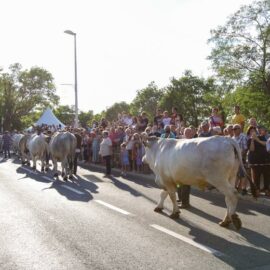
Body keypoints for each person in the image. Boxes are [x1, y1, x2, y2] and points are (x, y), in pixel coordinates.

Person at [177, 127, 193, 208]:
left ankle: (185, 203)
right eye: (185, 132)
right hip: (180, 165)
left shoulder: (193, 142)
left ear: (191, 133)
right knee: (179, 184)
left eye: (188, 132)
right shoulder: (182, 141)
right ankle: (180, 198)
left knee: (185, 185)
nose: (186, 134)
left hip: (188, 166)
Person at [232, 124, 248, 195]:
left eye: (235, 129)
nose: (234, 130)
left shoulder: (243, 136)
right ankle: (236, 188)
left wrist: (240, 157)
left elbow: (245, 148)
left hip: (241, 158)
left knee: (242, 175)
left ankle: (242, 189)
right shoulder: (232, 138)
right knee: (236, 174)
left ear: (239, 129)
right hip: (233, 159)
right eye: (233, 129)